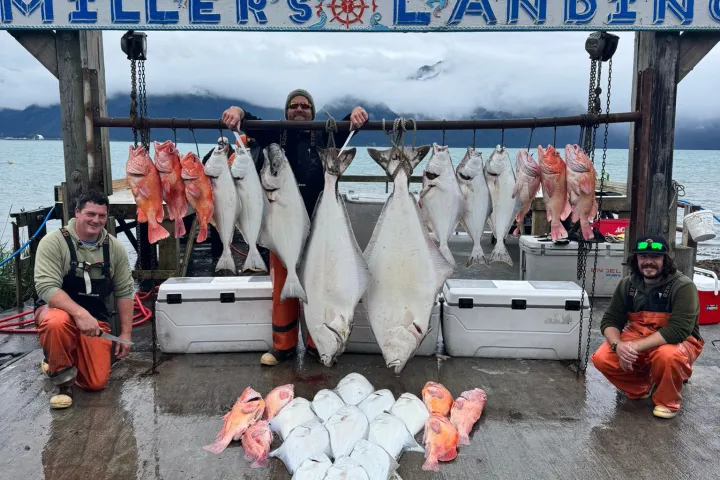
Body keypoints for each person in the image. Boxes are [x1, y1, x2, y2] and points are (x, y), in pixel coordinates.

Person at [221, 89, 369, 366]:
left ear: (313, 112)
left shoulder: (325, 133)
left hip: (318, 225)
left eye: (305, 106)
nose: (299, 110)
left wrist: (357, 113)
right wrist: (238, 111)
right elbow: (248, 121)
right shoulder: (275, 133)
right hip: (281, 226)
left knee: (317, 286)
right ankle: (284, 346)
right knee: (282, 289)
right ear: (286, 111)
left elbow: (350, 126)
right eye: (294, 106)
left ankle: (317, 343)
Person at [34, 190, 135, 409]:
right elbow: (46, 286)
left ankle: (55, 360)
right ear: (77, 212)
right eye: (90, 214)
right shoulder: (54, 242)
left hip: (96, 320)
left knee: (96, 382)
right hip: (57, 312)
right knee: (56, 323)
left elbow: (125, 291)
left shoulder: (114, 248)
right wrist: (80, 314)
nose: (96, 220)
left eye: (101, 216)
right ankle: (63, 384)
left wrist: (126, 333)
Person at [590, 234, 704, 419]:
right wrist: (618, 346)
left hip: (678, 341)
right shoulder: (627, 284)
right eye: (643, 257)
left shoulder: (683, 286)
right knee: (602, 358)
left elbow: (679, 330)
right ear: (635, 259)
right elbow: (611, 320)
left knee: (667, 356)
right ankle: (642, 385)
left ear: (665, 259)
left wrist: (632, 348)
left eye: (655, 257)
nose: (648, 262)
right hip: (638, 335)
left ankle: (668, 401)